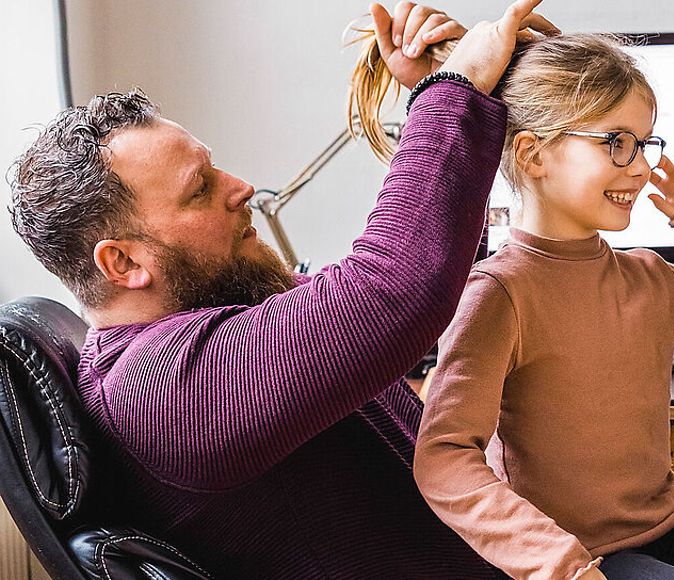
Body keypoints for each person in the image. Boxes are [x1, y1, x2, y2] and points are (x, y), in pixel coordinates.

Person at [8, 2, 559, 578]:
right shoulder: (159, 388)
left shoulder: (225, 317)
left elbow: (392, 284)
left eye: (214, 168)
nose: (241, 187)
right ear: (124, 261)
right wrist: (456, 88)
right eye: (199, 190)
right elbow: (390, 290)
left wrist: (440, 95)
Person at [395, 34, 674, 579]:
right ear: (532, 154)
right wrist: (559, 565)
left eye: (645, 143)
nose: (641, 167)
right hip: (578, 553)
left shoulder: (650, 278)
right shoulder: (499, 294)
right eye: (616, 142)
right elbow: (444, 458)